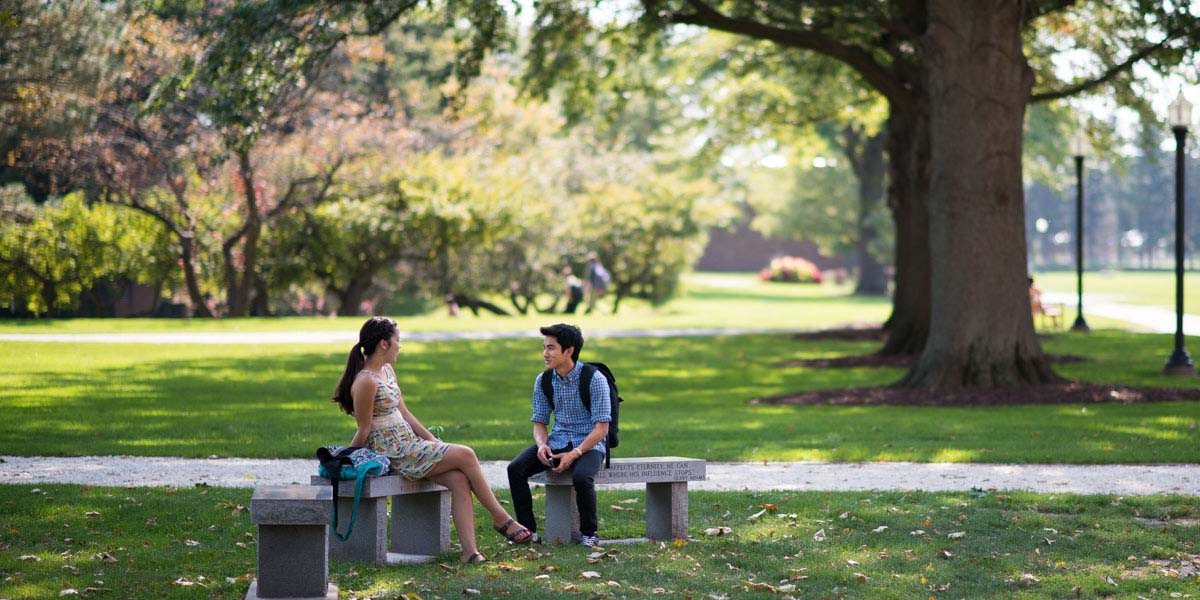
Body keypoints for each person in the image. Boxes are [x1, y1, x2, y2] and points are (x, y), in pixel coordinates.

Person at [332, 317, 533, 564]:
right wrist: (348, 459)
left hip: (410, 445)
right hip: (394, 451)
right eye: (397, 341)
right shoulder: (366, 381)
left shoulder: (386, 371)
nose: (399, 346)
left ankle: (470, 553)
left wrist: (432, 441)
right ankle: (502, 519)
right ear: (383, 344)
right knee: (466, 454)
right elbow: (364, 429)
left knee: (459, 480)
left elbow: (405, 413)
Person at [506, 324, 611, 547]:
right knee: (515, 469)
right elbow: (539, 423)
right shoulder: (543, 381)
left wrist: (575, 453)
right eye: (544, 347)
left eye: (551, 348)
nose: (545, 353)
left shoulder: (594, 379)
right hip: (557, 440)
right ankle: (528, 532)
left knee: (582, 478)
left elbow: (602, 428)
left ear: (569, 351)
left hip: (589, 444)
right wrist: (542, 445)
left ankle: (589, 533)